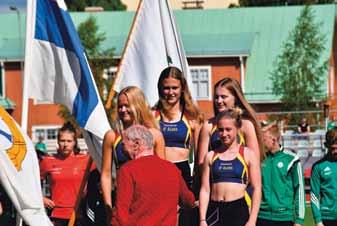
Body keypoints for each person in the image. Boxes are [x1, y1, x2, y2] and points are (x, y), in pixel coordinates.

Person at [101, 86, 166, 220]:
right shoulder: (112, 136)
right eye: (120, 106)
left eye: (127, 105)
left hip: (149, 203)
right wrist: (108, 206)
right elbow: (106, 174)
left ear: (138, 105)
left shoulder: (155, 135)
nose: (123, 110)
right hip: (122, 202)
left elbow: (163, 172)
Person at [111, 125, 195, 226]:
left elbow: (121, 213)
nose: (122, 149)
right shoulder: (172, 169)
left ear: (136, 144)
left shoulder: (127, 170)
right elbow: (188, 200)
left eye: (123, 144)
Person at [199, 108, 261, 226]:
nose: (224, 134)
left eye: (228, 130)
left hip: (238, 210)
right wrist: (202, 219)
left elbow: (257, 188)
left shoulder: (248, 154)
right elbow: (205, 190)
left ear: (237, 129)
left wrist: (252, 220)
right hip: (214, 210)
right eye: (220, 130)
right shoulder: (211, 156)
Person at [153, 66, 203, 189]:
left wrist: (197, 181)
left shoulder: (192, 116)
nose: (171, 92)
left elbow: (198, 156)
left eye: (174, 88)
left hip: (183, 172)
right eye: (166, 88)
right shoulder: (152, 115)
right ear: (160, 88)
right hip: (158, 173)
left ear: (182, 89)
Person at [198, 77, 264, 167]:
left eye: (223, 97)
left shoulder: (246, 125)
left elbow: (255, 162)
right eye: (216, 97)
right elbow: (201, 164)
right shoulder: (209, 126)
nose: (219, 101)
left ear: (235, 98)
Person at [40, 122, 90, 226]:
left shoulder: (86, 160)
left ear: (75, 142)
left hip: (79, 214)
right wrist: (41, 198)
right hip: (56, 215)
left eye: (69, 141)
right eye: (62, 140)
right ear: (57, 142)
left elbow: (104, 175)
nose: (65, 144)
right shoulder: (48, 161)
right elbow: (32, 182)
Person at [257, 122, 305, 226]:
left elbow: (299, 189)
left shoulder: (292, 159)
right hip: (261, 216)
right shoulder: (259, 159)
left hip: (284, 218)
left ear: (273, 140)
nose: (261, 143)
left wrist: (299, 220)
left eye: (264, 140)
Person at [310, 128, 337, 226]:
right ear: (327, 146)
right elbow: (314, 196)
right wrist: (318, 221)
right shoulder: (318, 167)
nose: (335, 151)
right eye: (332, 148)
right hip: (327, 217)